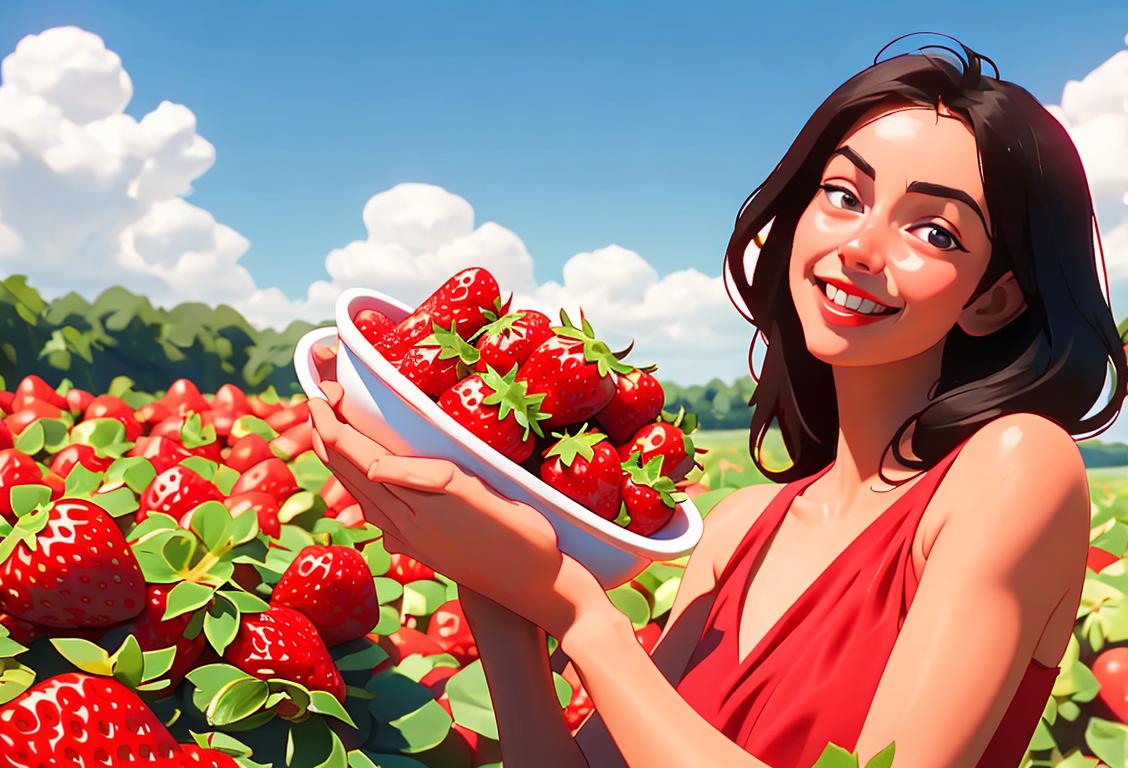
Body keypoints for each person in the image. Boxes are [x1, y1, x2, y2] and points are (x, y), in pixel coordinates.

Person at [307, 36, 1125, 768]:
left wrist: (578, 611)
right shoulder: (737, 529)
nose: (860, 247)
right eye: (845, 194)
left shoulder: (1015, 466)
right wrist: (494, 584)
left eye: (935, 231)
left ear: (995, 299)